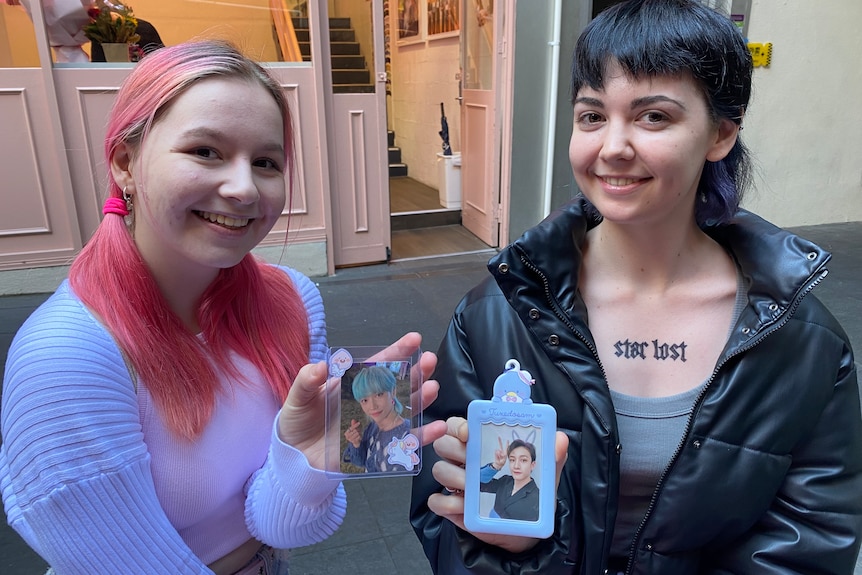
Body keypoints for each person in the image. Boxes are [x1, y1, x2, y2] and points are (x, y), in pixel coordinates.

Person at [410, 1, 862, 573]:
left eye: (653, 117)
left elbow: (811, 544)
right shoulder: (496, 316)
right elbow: (442, 523)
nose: (613, 146)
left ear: (721, 133)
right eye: (593, 115)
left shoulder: (803, 341)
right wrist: (518, 546)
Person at [0, 39, 444, 574]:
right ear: (124, 162)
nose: (243, 188)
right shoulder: (66, 358)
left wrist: (310, 467)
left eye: (265, 162)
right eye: (205, 151)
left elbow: (281, 529)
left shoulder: (293, 299)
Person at [343, 365, 412, 472]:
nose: (372, 406)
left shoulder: (406, 435)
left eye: (379, 395)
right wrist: (356, 444)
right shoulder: (372, 427)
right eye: (365, 400)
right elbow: (361, 462)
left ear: (393, 391)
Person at [478, 437, 539, 522]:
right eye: (512, 460)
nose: (516, 466)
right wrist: (496, 465)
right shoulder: (505, 481)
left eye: (523, 460)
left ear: (532, 465)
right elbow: (478, 483)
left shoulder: (536, 497)